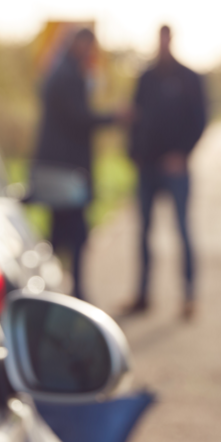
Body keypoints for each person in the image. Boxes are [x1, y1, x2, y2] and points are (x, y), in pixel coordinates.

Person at [126, 25, 208, 319]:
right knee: (143, 232)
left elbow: (201, 121)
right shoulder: (146, 77)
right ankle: (143, 294)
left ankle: (188, 297)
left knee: (182, 230)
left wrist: (182, 154)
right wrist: (132, 154)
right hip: (147, 167)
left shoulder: (189, 78)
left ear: (171, 40)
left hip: (175, 168)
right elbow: (134, 116)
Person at [32, 27, 113, 300]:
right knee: (73, 234)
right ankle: (71, 292)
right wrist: (114, 117)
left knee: (61, 232)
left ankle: (53, 290)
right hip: (65, 171)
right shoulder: (68, 75)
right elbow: (79, 118)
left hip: (60, 168)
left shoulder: (61, 70)